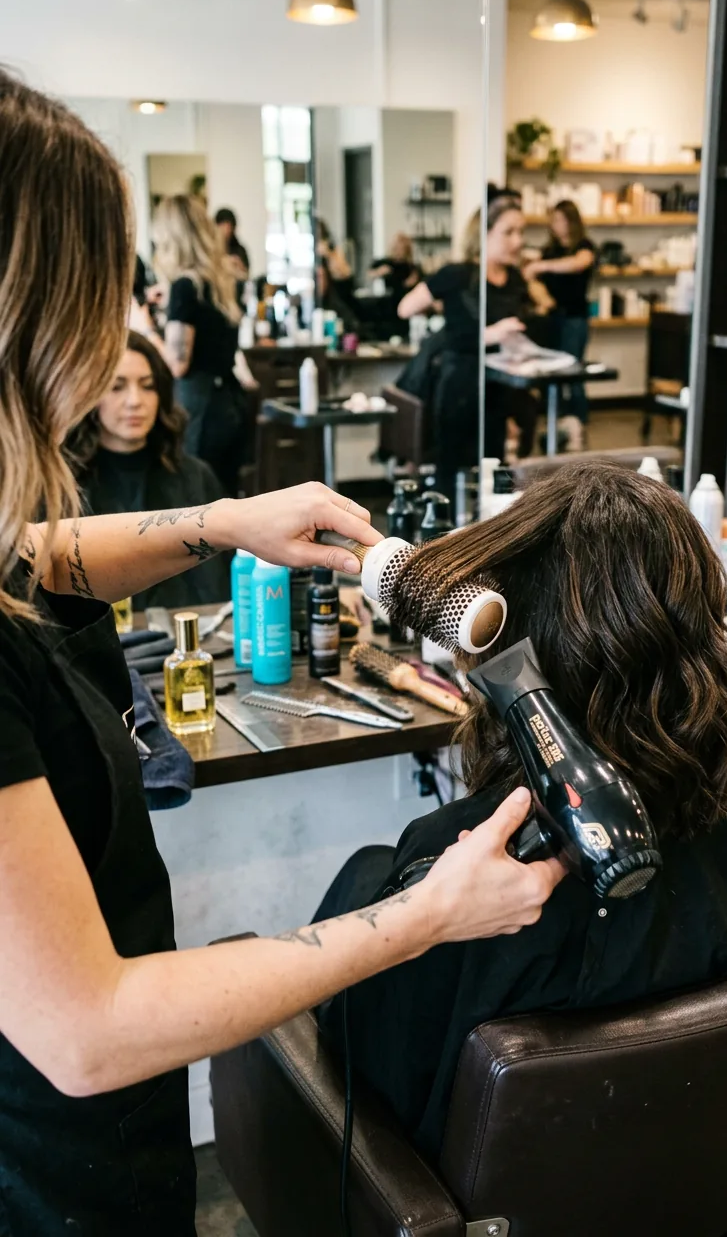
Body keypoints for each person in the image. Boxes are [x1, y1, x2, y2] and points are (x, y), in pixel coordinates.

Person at [0, 69, 563, 1236]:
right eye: (103, 298)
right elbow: (87, 1026)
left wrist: (219, 521)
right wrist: (421, 915)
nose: (121, 336)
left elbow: (31, 558)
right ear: (37, 315)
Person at [315, 460, 727, 1163]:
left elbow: (366, 1058)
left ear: (513, 647)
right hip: (714, 1182)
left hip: (484, 1205)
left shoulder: (463, 872)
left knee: (360, 879)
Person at [68, 331, 229, 610]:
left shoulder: (195, 476)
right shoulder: (66, 486)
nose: (135, 401)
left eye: (148, 386)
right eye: (117, 387)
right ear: (90, 394)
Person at [398, 191, 534, 499]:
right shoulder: (457, 275)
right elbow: (405, 308)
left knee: (495, 464)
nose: (518, 241)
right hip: (459, 386)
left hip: (500, 384)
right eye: (509, 232)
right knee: (451, 465)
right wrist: (446, 312)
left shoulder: (515, 280)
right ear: (484, 234)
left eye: (521, 232)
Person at [152, 194, 247, 497]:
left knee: (198, 503)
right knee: (225, 497)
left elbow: (177, 363)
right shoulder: (225, 280)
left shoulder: (184, 287)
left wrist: (145, 331)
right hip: (228, 401)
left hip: (199, 408)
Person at [524, 199, 596, 440]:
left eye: (560, 220)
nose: (556, 225)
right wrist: (544, 299)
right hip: (552, 320)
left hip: (575, 320)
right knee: (551, 373)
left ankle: (579, 425)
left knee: (573, 373)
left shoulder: (584, 248)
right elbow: (533, 281)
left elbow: (578, 264)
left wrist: (541, 265)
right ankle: (557, 423)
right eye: (553, 220)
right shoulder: (549, 250)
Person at [369, 232, 422, 298]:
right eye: (396, 248)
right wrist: (378, 272)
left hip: (406, 298)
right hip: (390, 299)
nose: (398, 252)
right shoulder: (387, 262)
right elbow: (370, 273)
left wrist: (410, 283)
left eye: (401, 249)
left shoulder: (411, 267)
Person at [214, 206, 250, 282]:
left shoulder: (240, 250)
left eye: (229, 226)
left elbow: (246, 276)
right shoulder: (211, 249)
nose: (226, 230)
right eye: (223, 225)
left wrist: (239, 268)